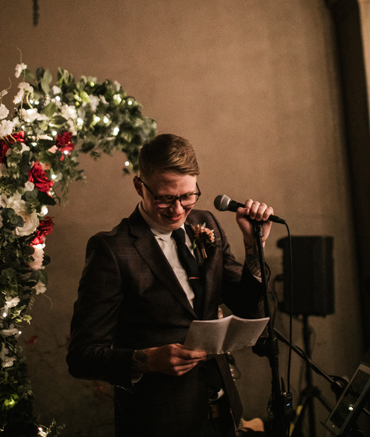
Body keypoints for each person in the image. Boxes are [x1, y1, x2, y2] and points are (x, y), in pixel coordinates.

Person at [67, 133, 274, 437]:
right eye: (165, 197)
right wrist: (145, 361)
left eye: (188, 196)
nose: (177, 209)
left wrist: (255, 246)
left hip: (223, 416)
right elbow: (81, 355)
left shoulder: (207, 224)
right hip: (159, 423)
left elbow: (245, 303)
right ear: (140, 186)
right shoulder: (113, 249)